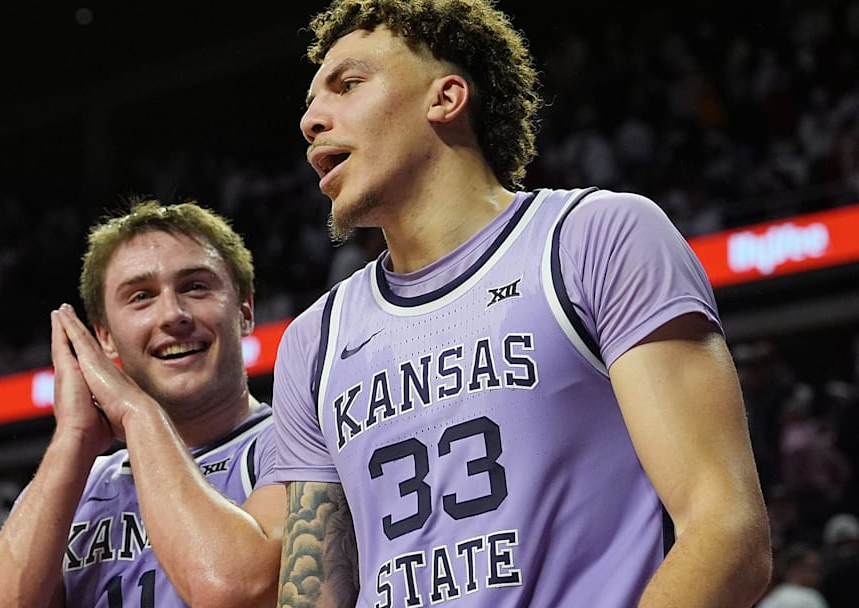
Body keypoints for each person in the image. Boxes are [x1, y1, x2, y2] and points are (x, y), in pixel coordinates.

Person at [272, 1, 772, 607]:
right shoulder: (313, 340)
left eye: (347, 85)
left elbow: (726, 530)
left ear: (446, 97)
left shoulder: (593, 238)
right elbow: (309, 596)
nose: (312, 120)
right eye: (309, 104)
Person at [0, 199, 284, 607]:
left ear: (245, 310)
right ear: (104, 337)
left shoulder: (302, 441)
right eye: (141, 296)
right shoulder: (75, 485)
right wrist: (72, 440)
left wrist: (136, 412)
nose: (173, 314)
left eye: (196, 286)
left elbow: (235, 591)